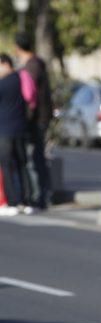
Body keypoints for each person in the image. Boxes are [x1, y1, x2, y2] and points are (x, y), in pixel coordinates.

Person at [14, 32, 53, 210]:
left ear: (17, 48)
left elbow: (29, 96)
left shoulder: (31, 67)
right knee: (36, 157)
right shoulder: (36, 63)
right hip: (40, 118)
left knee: (33, 158)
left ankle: (39, 196)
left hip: (35, 120)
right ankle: (41, 194)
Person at [0, 53, 33, 216]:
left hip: (4, 130)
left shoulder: (2, 84)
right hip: (20, 128)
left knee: (6, 166)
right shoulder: (22, 79)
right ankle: (26, 201)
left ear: (5, 64)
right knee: (22, 164)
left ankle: (12, 202)